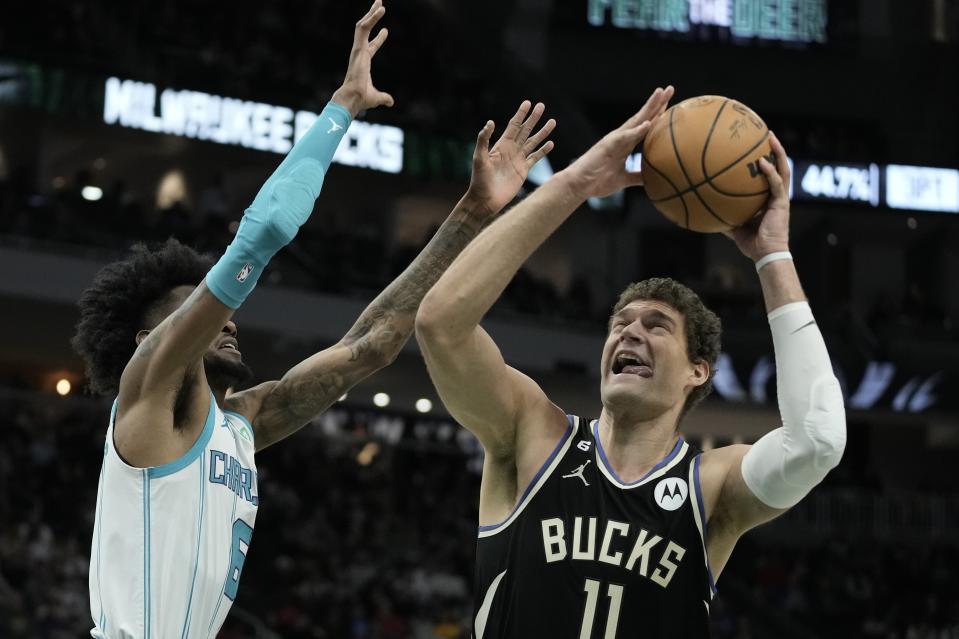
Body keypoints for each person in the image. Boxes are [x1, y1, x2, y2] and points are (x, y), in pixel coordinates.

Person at [71, 1, 556, 634]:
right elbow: (263, 232)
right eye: (192, 312)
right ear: (148, 341)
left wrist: (471, 214)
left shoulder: (243, 423)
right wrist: (341, 110)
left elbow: (373, 345)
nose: (227, 321)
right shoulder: (147, 394)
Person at [415, 86, 846, 638]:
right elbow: (441, 325)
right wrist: (574, 183)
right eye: (621, 324)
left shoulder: (709, 486)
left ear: (699, 370)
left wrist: (772, 255)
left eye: (656, 326)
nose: (630, 333)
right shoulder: (533, 434)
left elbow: (818, 440)